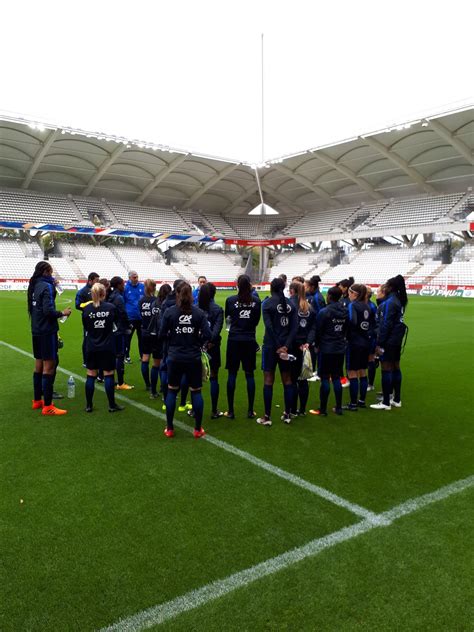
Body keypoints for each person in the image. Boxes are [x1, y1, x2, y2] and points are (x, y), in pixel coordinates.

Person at [159, 282, 211, 438]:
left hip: (174, 356)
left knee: (172, 390)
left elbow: (161, 334)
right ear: (191, 295)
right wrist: (197, 339)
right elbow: (208, 335)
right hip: (193, 357)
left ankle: (169, 428)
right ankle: (197, 429)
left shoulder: (170, 312)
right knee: (196, 391)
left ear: (177, 294)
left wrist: (172, 337)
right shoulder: (199, 313)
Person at [28, 261, 71, 415]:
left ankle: (37, 401)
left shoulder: (34, 284)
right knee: (49, 366)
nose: (52, 275)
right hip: (47, 331)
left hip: (36, 330)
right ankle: (48, 406)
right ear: (46, 271)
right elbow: (48, 311)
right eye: (51, 272)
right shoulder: (46, 286)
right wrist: (63, 313)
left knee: (38, 364)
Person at [257, 277, 297, 426]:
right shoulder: (291, 304)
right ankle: (287, 414)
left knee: (268, 379)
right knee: (287, 379)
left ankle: (267, 417)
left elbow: (269, 327)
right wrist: (286, 345)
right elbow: (294, 328)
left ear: (271, 288)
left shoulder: (267, 303)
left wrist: (278, 345)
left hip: (270, 346)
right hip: (287, 347)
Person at [82, 283, 124, 413]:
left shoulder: (87, 309)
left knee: (91, 375)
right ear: (103, 293)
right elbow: (116, 323)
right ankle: (111, 405)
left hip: (91, 345)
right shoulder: (110, 308)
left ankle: (89, 405)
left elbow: (86, 327)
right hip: (107, 345)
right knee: (109, 374)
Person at [224, 274, 261, 419]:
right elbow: (256, 321)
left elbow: (228, 319)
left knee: (232, 374)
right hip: (249, 339)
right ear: (250, 285)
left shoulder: (230, 300)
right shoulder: (256, 302)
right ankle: (250, 411)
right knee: (249, 374)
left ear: (238, 285)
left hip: (234, 339)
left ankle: (231, 411)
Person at [370, 275, 408, 411]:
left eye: (386, 284)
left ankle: (386, 402)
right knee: (396, 366)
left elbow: (386, 324)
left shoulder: (390, 302)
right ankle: (396, 398)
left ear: (391, 287)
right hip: (396, 339)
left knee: (386, 368)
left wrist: (379, 343)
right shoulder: (399, 300)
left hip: (389, 340)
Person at [310, 286, 348, 416]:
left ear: (330, 296)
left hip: (326, 348)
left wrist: (316, 344)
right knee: (336, 377)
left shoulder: (324, 312)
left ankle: (323, 409)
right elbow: (345, 329)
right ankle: (338, 408)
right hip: (339, 347)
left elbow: (318, 331)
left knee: (325, 378)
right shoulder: (345, 311)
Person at [343, 283, 374, 411]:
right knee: (362, 371)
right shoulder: (368, 306)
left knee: (352, 372)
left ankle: (353, 403)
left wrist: (347, 333)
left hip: (354, 342)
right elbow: (372, 325)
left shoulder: (353, 305)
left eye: (350, 293)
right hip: (365, 342)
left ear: (355, 294)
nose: (348, 295)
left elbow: (352, 321)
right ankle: (361, 401)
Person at [289, 281, 316, 416]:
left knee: (293, 379)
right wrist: (308, 343)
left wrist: (298, 343)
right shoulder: (310, 307)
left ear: (292, 291)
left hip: (294, 346)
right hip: (306, 347)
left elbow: (291, 329)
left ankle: (293, 409)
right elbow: (313, 328)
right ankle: (302, 409)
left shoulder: (291, 306)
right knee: (303, 378)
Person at [198, 282, 224, 418]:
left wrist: (201, 343)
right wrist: (209, 342)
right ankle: (214, 410)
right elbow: (216, 330)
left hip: (197, 347)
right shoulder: (218, 309)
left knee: (196, 379)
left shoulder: (195, 308)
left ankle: (194, 410)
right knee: (214, 376)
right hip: (212, 347)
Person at [139, 279, 163, 399]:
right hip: (155, 333)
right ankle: (159, 387)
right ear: (154, 288)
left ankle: (148, 384)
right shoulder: (156, 301)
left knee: (145, 358)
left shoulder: (141, 300)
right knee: (157, 362)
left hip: (144, 331)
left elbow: (141, 314)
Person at [109, 276, 134, 390]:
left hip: (111, 329)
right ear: (118, 285)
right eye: (122, 284)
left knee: (113, 356)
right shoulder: (119, 298)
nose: (124, 286)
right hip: (119, 330)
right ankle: (120, 383)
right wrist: (129, 324)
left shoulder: (110, 296)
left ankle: (112, 381)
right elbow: (123, 313)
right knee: (120, 356)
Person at [75, 271, 99, 365]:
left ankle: (96, 358)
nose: (98, 282)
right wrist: (89, 305)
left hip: (99, 317)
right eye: (96, 280)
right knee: (87, 338)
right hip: (88, 319)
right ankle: (86, 360)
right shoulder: (82, 292)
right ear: (90, 280)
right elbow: (78, 305)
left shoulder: (97, 290)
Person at [123, 270, 145, 363]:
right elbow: (122, 302)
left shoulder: (142, 287)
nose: (136, 279)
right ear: (129, 278)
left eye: (137, 277)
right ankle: (126, 356)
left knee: (142, 338)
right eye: (134, 277)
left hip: (141, 318)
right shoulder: (125, 288)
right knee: (128, 338)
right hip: (130, 318)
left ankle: (142, 355)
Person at [156, 283, 172, 407]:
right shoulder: (174, 306)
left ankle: (161, 389)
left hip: (157, 336)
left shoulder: (154, 303)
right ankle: (171, 391)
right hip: (173, 341)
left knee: (161, 364)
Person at [366, 286, 378, 391]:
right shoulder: (368, 305)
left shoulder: (372, 306)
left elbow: (376, 323)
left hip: (369, 337)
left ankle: (370, 384)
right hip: (364, 336)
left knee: (370, 359)